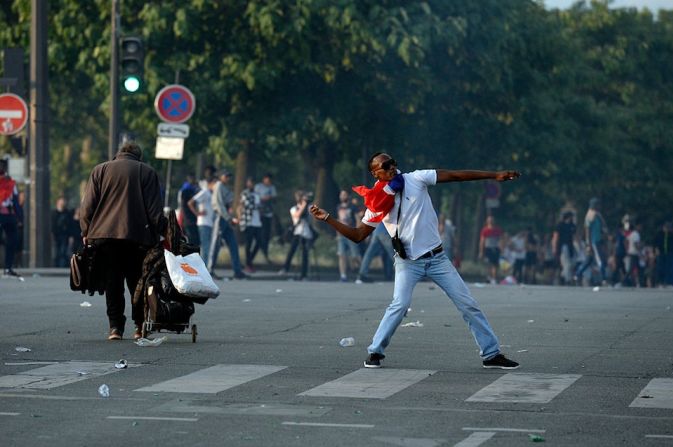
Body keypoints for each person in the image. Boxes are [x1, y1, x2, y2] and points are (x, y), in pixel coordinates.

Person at [309, 152, 520, 370]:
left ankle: (491, 353)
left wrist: (494, 175)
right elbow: (357, 235)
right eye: (385, 165)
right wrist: (327, 219)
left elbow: (455, 175)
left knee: (468, 304)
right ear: (375, 173)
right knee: (399, 305)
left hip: (437, 258)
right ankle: (375, 352)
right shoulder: (377, 202)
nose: (392, 167)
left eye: (393, 163)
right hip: (408, 262)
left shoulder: (417, 179)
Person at [80, 141, 166, 341]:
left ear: (118, 154)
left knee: (113, 282)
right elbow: (155, 211)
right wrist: (165, 232)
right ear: (139, 156)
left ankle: (115, 328)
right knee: (137, 282)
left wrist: (86, 231)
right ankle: (139, 327)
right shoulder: (147, 172)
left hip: (104, 236)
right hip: (137, 237)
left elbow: (87, 206)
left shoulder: (99, 170)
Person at [208, 169, 247, 280]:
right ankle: (210, 270)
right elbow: (220, 206)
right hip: (220, 218)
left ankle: (237, 271)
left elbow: (230, 203)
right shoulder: (219, 185)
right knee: (215, 245)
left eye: (229, 176)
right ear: (220, 177)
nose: (228, 178)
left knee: (233, 244)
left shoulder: (225, 187)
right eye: (226, 176)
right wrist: (229, 218)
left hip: (226, 218)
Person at [279, 190, 314, 280]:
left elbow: (312, 219)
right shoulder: (294, 208)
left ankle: (304, 275)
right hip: (297, 233)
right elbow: (297, 216)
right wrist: (303, 206)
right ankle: (285, 268)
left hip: (307, 234)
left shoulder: (309, 208)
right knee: (291, 251)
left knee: (305, 255)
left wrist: (307, 207)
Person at [575, 197, 608, 284]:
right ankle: (604, 278)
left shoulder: (597, 215)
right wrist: (588, 244)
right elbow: (587, 231)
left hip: (598, 240)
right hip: (593, 241)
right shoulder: (590, 215)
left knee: (589, 260)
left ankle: (578, 274)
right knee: (600, 259)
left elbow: (603, 226)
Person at [0, 158, 22, 277]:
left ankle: (8, 267)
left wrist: (19, 218)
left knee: (13, 240)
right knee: (11, 240)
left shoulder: (10, 183)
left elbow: (15, 202)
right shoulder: (10, 183)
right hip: (6, 214)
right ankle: (7, 267)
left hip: (8, 215)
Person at [188, 178, 215, 265]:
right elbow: (190, 202)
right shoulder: (205, 192)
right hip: (204, 223)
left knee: (207, 247)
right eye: (215, 184)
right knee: (205, 247)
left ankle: (206, 268)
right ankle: (204, 269)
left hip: (209, 223)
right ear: (210, 184)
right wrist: (197, 213)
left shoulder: (211, 194)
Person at [336, 189, 361, 282]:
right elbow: (338, 219)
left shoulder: (353, 207)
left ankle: (360, 274)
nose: (342, 196)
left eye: (344, 195)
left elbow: (358, 220)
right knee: (341, 255)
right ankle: (343, 276)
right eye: (341, 195)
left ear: (348, 196)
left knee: (355, 256)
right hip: (341, 234)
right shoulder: (338, 207)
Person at [239, 177, 263, 273]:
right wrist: (259, 206)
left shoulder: (257, 194)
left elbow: (259, 206)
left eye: (252, 183)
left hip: (257, 222)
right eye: (249, 183)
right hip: (248, 222)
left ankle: (249, 262)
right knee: (248, 244)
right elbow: (248, 205)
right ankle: (248, 265)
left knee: (259, 243)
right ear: (247, 184)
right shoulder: (245, 193)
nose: (251, 185)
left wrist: (259, 207)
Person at [254, 173, 277, 263]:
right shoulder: (258, 187)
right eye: (267, 180)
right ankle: (254, 256)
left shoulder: (272, 188)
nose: (268, 182)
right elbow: (255, 198)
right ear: (264, 179)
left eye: (270, 180)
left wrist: (271, 197)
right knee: (259, 235)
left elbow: (275, 200)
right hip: (259, 214)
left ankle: (265, 254)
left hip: (268, 214)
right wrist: (263, 198)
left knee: (266, 236)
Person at [551, 211, 577, 285]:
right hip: (563, 246)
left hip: (571, 246)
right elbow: (555, 236)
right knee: (566, 263)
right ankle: (566, 279)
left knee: (572, 262)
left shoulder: (572, 226)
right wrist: (554, 247)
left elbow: (575, 236)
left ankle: (563, 276)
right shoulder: (560, 225)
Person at [479, 216, 503, 284]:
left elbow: (501, 240)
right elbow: (482, 241)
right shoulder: (485, 230)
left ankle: (493, 278)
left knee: (495, 264)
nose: (491, 222)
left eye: (492, 220)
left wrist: (501, 249)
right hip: (488, 248)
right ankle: (489, 277)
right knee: (489, 264)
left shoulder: (497, 230)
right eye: (489, 220)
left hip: (496, 248)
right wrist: (481, 251)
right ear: (487, 222)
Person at [177, 174, 200, 246]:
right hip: (188, 219)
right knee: (192, 240)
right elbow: (184, 206)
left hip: (188, 219)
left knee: (192, 240)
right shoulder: (186, 191)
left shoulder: (188, 190)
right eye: (193, 179)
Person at [51, 197, 73, 267]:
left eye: (63, 202)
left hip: (65, 235)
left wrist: (70, 236)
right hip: (56, 234)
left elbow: (70, 225)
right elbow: (52, 224)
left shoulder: (67, 213)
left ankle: (62, 266)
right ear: (57, 203)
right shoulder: (53, 213)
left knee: (63, 251)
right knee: (56, 251)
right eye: (61, 202)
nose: (62, 204)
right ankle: (56, 265)